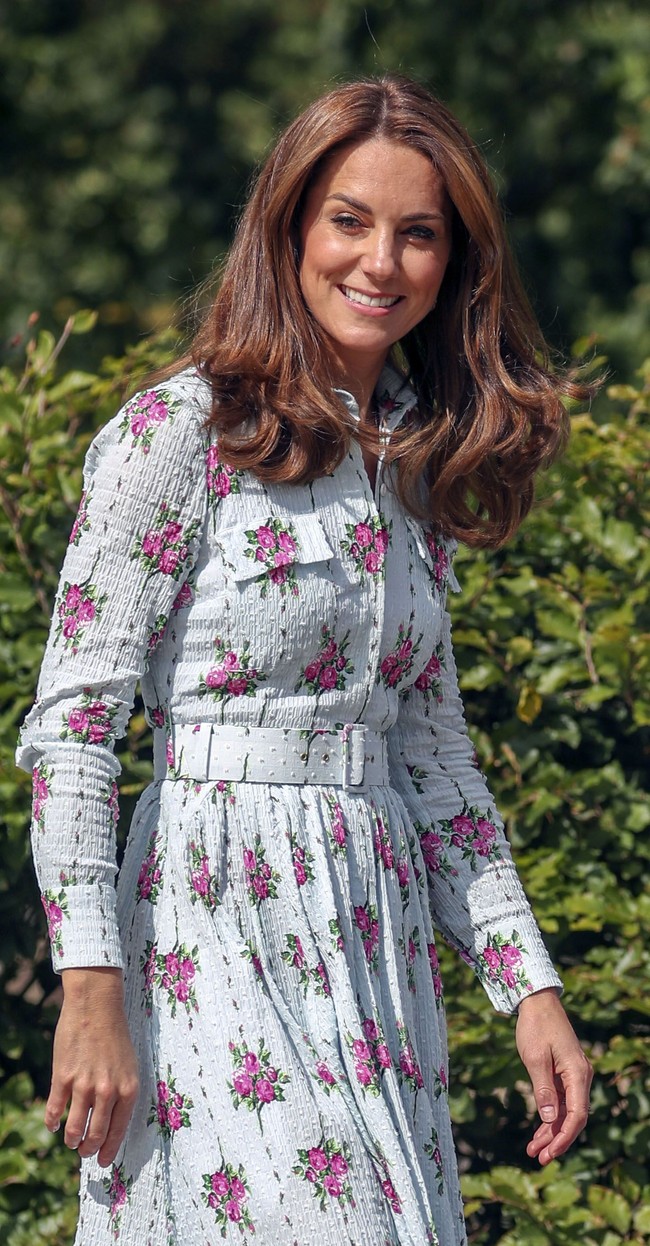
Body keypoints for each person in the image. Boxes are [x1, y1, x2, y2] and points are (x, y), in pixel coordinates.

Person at [17, 74, 593, 1246]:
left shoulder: (414, 469)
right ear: (286, 229)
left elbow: (435, 764)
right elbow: (73, 726)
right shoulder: (178, 434)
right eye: (348, 220)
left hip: (369, 946)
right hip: (205, 919)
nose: (380, 261)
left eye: (417, 232)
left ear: (452, 262)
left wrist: (526, 985)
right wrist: (91, 983)